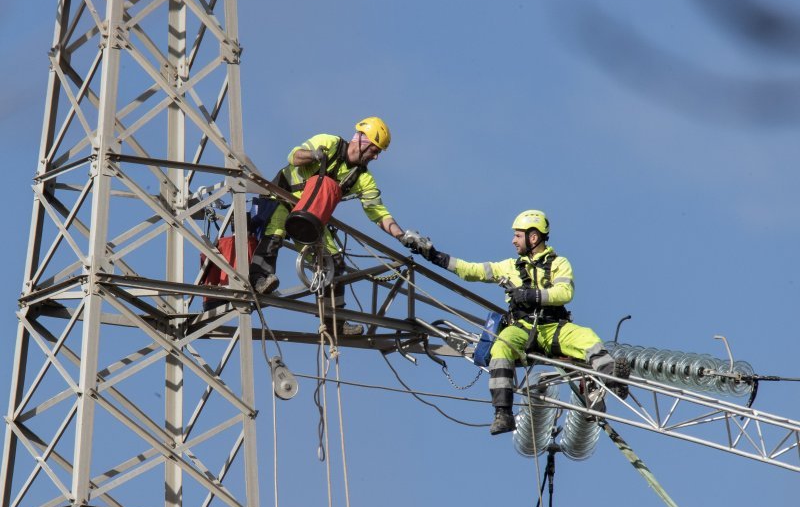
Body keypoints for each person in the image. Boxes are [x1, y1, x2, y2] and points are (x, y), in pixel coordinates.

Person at [418, 209, 625, 435]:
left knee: (587, 338)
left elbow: (565, 292)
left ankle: (612, 381)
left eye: (518, 235)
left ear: (533, 237)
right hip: (522, 329)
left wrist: (533, 295)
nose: (513, 240)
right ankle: (503, 414)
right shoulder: (508, 267)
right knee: (501, 345)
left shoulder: (559, 263)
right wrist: (435, 256)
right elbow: (471, 271)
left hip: (554, 327)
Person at [249, 117, 422, 335]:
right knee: (274, 233)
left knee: (332, 261)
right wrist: (314, 155)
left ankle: (334, 323)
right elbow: (293, 156)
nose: (375, 157)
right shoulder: (329, 143)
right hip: (283, 197)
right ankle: (258, 279)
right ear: (359, 139)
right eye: (374, 149)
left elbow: (378, 212)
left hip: (310, 216)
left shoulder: (362, 178)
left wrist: (400, 236)